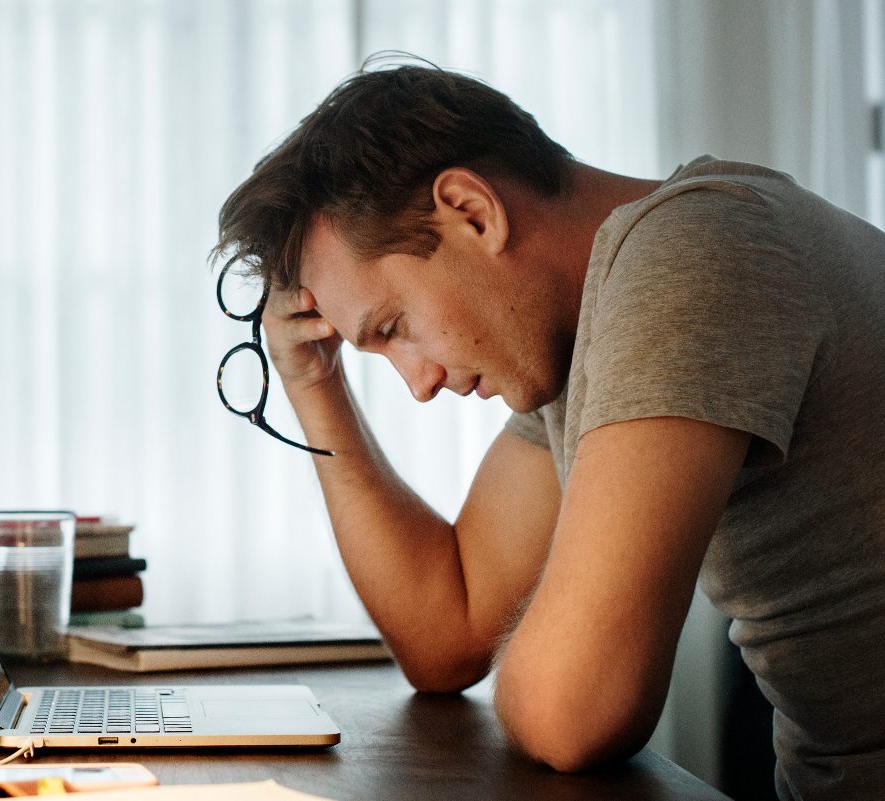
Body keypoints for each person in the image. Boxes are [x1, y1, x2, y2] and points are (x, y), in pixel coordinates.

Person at [212, 61, 885, 801]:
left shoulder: (696, 250)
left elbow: (575, 710)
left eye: (397, 327)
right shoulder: (583, 334)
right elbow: (448, 632)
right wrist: (314, 381)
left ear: (471, 210)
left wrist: (551, 660)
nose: (421, 383)